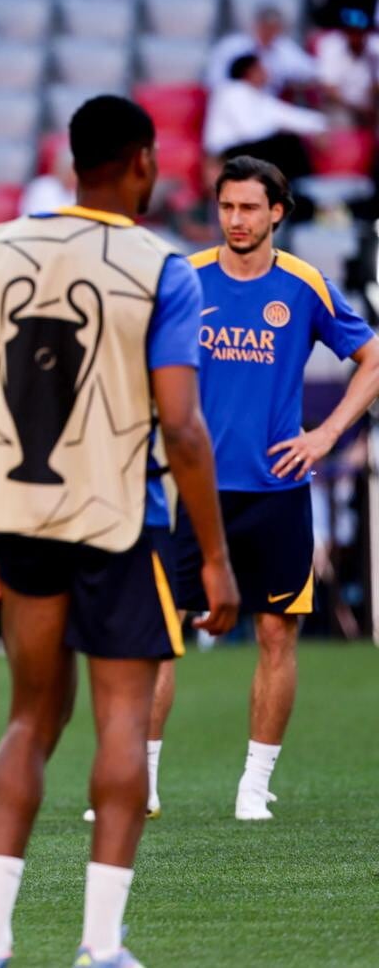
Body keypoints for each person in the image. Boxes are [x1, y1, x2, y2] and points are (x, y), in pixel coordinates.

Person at [0, 95, 240, 968]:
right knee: (121, 722)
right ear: (142, 160)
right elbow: (182, 426)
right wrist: (215, 556)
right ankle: (100, 945)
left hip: (21, 520)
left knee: (30, 718)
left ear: (73, 159)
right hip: (123, 522)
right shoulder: (164, 266)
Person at [146, 158, 378, 823]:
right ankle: (142, 781)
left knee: (277, 633)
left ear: (277, 211)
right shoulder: (184, 278)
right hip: (191, 490)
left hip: (277, 490)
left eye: (250, 207)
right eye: (227, 206)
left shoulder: (304, 285)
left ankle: (254, 785)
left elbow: (372, 357)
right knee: (160, 634)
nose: (236, 219)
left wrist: (326, 433)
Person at [203, 54, 325, 179]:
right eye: (261, 68)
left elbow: (289, 116)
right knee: (287, 144)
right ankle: (302, 186)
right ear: (249, 72)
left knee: (288, 142)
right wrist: (281, 127)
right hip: (228, 152)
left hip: (249, 148)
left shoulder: (259, 96)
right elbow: (249, 130)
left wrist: (320, 126)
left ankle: (300, 186)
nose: (266, 71)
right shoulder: (233, 91)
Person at [205, 6, 317, 93]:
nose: (269, 32)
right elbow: (214, 80)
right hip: (235, 98)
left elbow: (310, 70)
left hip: (265, 102)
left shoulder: (285, 48)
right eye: (265, 26)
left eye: (274, 28)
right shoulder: (231, 46)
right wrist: (245, 88)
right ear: (255, 25)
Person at [314, 8, 379, 123]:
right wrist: (357, 108)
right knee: (342, 120)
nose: (355, 37)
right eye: (351, 32)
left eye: (359, 32)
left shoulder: (374, 50)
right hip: (341, 106)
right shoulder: (331, 46)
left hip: (369, 106)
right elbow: (329, 88)